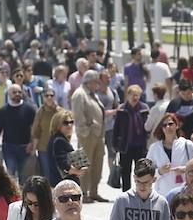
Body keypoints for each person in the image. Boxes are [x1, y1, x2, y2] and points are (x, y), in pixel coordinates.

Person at [71, 69, 108, 203]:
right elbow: (78, 116)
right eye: (95, 82)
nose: (97, 84)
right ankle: (83, 192)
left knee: (97, 165)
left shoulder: (92, 94)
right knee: (84, 166)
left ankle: (94, 191)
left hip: (97, 136)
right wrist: (86, 132)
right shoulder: (80, 94)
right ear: (89, 82)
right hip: (86, 136)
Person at [146, 112, 193, 197]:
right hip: (162, 195)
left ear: (176, 126)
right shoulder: (154, 148)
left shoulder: (187, 144)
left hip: (185, 195)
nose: (168, 127)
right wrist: (159, 172)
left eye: (171, 124)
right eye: (164, 125)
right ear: (162, 129)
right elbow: (146, 173)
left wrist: (185, 169)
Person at [0, 84, 36, 181]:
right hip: (9, 148)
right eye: (14, 92)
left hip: (26, 148)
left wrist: (33, 143)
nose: (17, 94)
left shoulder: (29, 109)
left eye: (19, 92)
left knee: (24, 177)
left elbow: (35, 128)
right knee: (11, 175)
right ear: (8, 94)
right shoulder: (3, 111)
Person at [112, 85, 151, 191]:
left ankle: (141, 191)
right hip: (126, 146)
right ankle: (126, 193)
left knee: (142, 172)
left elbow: (149, 127)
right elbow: (116, 129)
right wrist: (115, 145)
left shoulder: (144, 108)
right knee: (125, 171)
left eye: (138, 95)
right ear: (127, 95)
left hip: (140, 146)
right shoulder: (122, 109)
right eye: (133, 95)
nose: (135, 98)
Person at [46, 108, 87, 186]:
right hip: (64, 183)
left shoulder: (55, 138)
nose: (69, 125)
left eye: (71, 122)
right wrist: (77, 171)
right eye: (65, 123)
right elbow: (63, 164)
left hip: (59, 182)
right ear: (58, 124)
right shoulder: (59, 140)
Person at [166, 78, 193, 147]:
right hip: (178, 139)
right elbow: (167, 118)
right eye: (183, 94)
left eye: (188, 93)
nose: (186, 96)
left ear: (192, 90)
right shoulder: (174, 102)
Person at [30, 86, 61, 177]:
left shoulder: (60, 112)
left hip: (57, 148)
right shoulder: (40, 112)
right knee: (46, 173)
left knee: (57, 172)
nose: (49, 98)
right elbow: (36, 130)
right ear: (43, 98)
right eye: (46, 96)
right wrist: (34, 148)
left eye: (51, 95)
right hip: (44, 148)